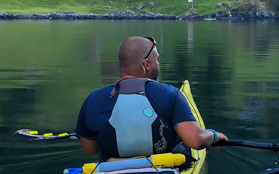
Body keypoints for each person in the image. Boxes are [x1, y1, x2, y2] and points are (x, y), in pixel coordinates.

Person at [76, 36, 227, 163]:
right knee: (182, 146)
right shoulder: (169, 94)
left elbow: (90, 149)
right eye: (156, 60)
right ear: (146, 65)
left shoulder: (93, 99)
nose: (158, 64)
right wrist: (213, 135)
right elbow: (196, 140)